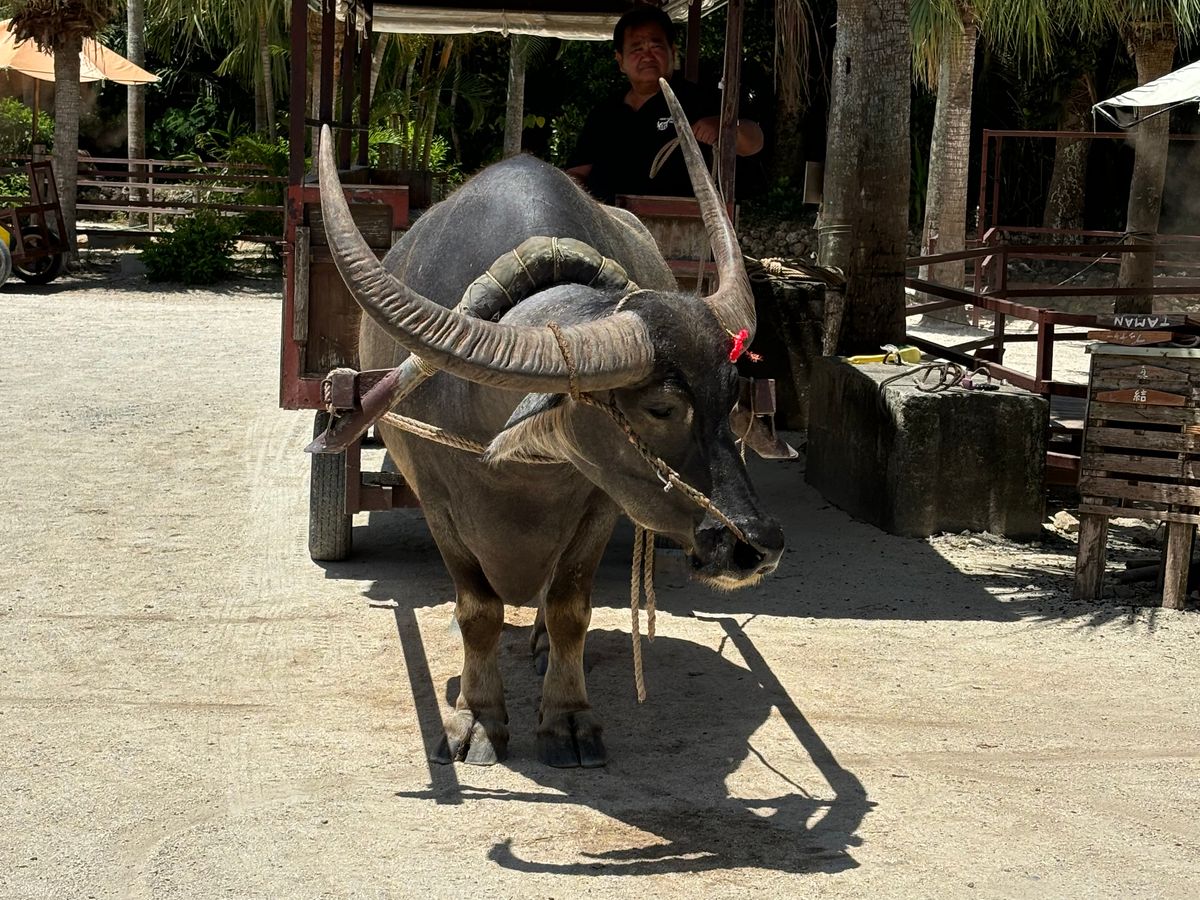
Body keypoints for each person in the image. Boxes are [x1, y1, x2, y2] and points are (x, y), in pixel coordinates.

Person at [565, 5, 764, 204]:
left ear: (672, 52)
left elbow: (755, 141)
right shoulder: (604, 114)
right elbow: (577, 174)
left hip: (683, 218)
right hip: (609, 218)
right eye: (637, 49)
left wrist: (724, 126)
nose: (647, 56)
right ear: (620, 61)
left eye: (656, 47)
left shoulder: (698, 99)